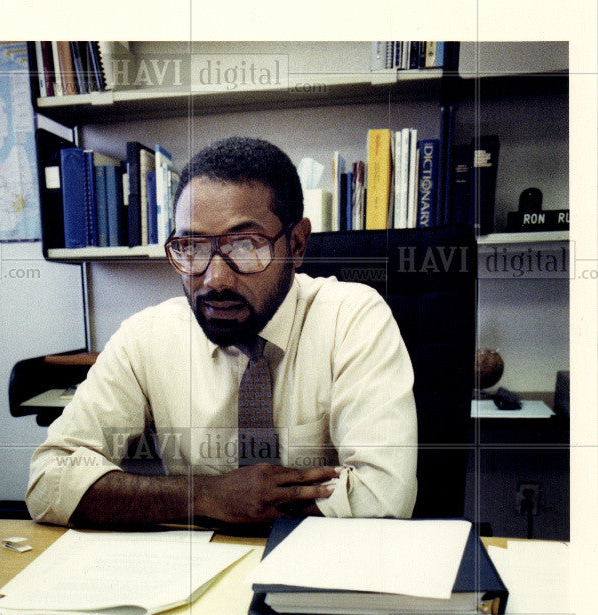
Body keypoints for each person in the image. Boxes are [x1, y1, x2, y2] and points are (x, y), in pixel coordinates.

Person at [27, 137, 417, 527]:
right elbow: (48, 480)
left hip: (320, 571)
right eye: (191, 247)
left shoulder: (352, 318)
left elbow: (384, 495)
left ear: (296, 245)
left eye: (246, 245)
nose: (214, 279)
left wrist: (257, 504)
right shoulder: (146, 337)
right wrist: (205, 495)